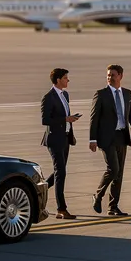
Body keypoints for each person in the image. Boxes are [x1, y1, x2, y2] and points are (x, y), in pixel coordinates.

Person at [88, 64, 131, 216]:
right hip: (106, 138)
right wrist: (92, 139)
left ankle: (113, 207)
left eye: (112, 75)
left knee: (119, 174)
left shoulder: (127, 94)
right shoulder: (101, 94)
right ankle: (98, 195)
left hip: (122, 136)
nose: (110, 78)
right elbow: (94, 118)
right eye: (108, 75)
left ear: (120, 76)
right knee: (113, 169)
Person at [41, 68, 80, 219]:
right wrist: (65, 119)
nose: (67, 80)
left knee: (59, 171)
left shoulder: (65, 95)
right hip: (54, 139)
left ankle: (39, 189)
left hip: (65, 138)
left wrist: (70, 124)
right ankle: (61, 209)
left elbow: (65, 116)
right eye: (65, 78)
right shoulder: (48, 97)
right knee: (61, 172)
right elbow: (45, 120)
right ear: (57, 80)